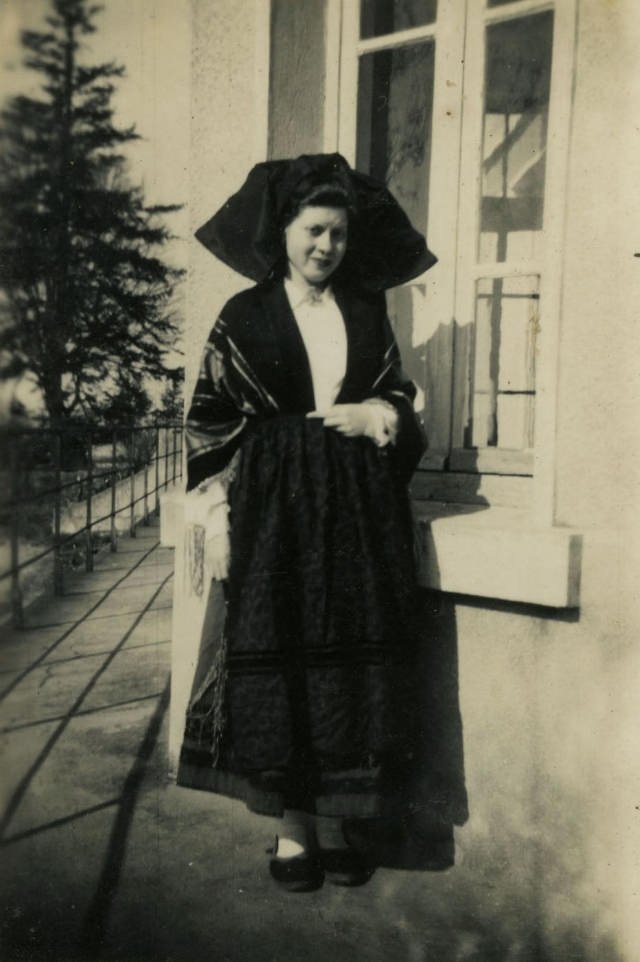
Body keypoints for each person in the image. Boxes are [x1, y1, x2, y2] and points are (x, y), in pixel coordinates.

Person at [177, 153, 463, 891]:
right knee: (286, 662)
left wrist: (379, 414)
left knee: (351, 665)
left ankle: (338, 819)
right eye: (312, 231)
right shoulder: (244, 315)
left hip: (358, 518)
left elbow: (399, 393)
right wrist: (220, 523)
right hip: (274, 515)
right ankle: (292, 830)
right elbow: (209, 421)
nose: (324, 248)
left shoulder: (365, 310)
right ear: (284, 231)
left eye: (336, 234)